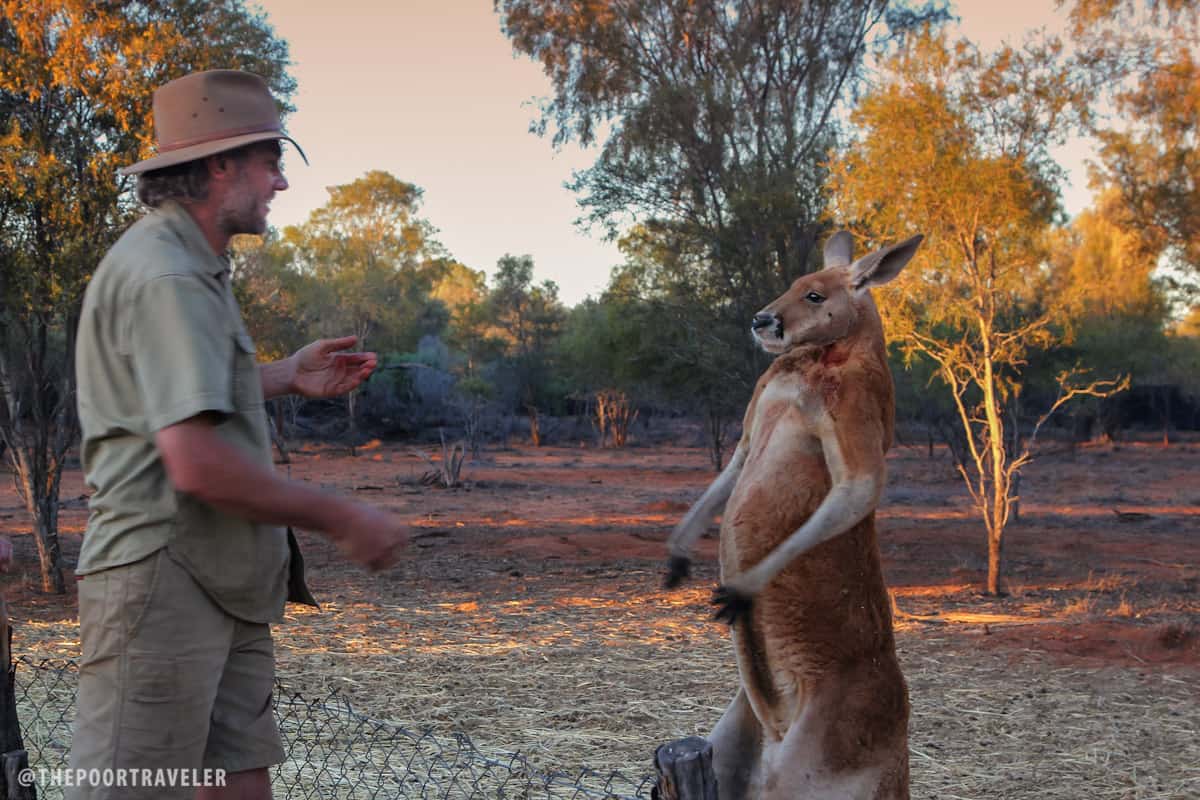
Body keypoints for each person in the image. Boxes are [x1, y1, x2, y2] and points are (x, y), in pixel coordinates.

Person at [69, 70, 409, 800]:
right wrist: (340, 515)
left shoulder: (193, 265)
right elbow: (192, 463)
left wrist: (286, 375)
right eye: (270, 162)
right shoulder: (166, 275)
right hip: (161, 580)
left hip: (221, 580)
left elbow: (164, 399)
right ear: (221, 166)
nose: (280, 183)